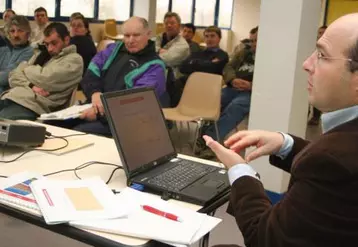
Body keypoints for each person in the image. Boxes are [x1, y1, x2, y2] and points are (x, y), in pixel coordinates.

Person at [204, 13, 358, 247]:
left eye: (322, 55)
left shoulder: (333, 161)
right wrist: (285, 143)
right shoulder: (341, 154)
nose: (307, 64)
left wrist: (241, 173)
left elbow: (265, 238)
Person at [52, 17, 166, 136]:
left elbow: (135, 103)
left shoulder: (155, 66)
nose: (130, 40)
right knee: (53, 124)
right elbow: (91, 72)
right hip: (96, 108)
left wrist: (100, 113)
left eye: (136, 35)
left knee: (76, 133)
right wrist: (95, 93)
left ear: (148, 34)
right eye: (126, 36)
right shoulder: (113, 50)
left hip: (126, 121)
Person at [196, 26, 258, 159]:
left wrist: (252, 85)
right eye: (252, 41)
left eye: (256, 41)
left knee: (235, 106)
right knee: (214, 101)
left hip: (250, 93)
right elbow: (228, 67)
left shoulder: (268, 59)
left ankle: (209, 140)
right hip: (233, 87)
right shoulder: (243, 52)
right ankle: (205, 137)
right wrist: (232, 79)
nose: (253, 44)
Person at [0, 22, 83, 120]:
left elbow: (46, 79)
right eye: (47, 44)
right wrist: (31, 85)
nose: (50, 49)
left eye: (54, 43)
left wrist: (25, 68)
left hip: (34, 106)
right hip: (13, 97)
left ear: (66, 40)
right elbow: (13, 76)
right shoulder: (42, 55)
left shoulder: (74, 60)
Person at [169, 26, 229, 106]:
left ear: (219, 38)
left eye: (212, 36)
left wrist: (194, 63)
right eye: (207, 36)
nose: (209, 39)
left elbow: (212, 68)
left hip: (209, 85)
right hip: (192, 82)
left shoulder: (222, 55)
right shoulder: (198, 52)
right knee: (172, 83)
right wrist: (204, 63)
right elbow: (183, 67)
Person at [0, 15, 33, 93]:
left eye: (20, 31)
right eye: (12, 31)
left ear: (27, 34)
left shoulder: (29, 52)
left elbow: (7, 77)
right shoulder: (3, 50)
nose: (16, 35)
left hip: (9, 95)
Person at [155, 12, 190, 79]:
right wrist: (159, 50)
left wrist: (153, 52)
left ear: (179, 26)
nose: (169, 25)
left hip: (171, 80)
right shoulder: (158, 38)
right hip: (154, 75)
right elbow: (145, 49)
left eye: (172, 23)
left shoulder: (183, 45)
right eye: (166, 23)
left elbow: (164, 60)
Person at [308, 25, 328, 125]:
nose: (321, 35)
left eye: (323, 32)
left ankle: (316, 117)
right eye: (319, 33)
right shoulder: (312, 45)